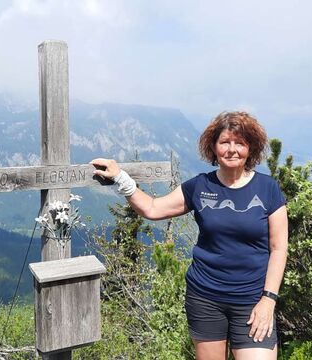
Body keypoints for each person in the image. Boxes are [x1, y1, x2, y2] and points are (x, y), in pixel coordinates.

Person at [90, 111, 288, 360]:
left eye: (240, 143)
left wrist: (269, 299)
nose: (232, 149)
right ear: (213, 147)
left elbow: (279, 248)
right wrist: (121, 178)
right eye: (224, 142)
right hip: (205, 298)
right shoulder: (200, 186)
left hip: (253, 299)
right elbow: (153, 208)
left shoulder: (268, 188)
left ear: (251, 147)